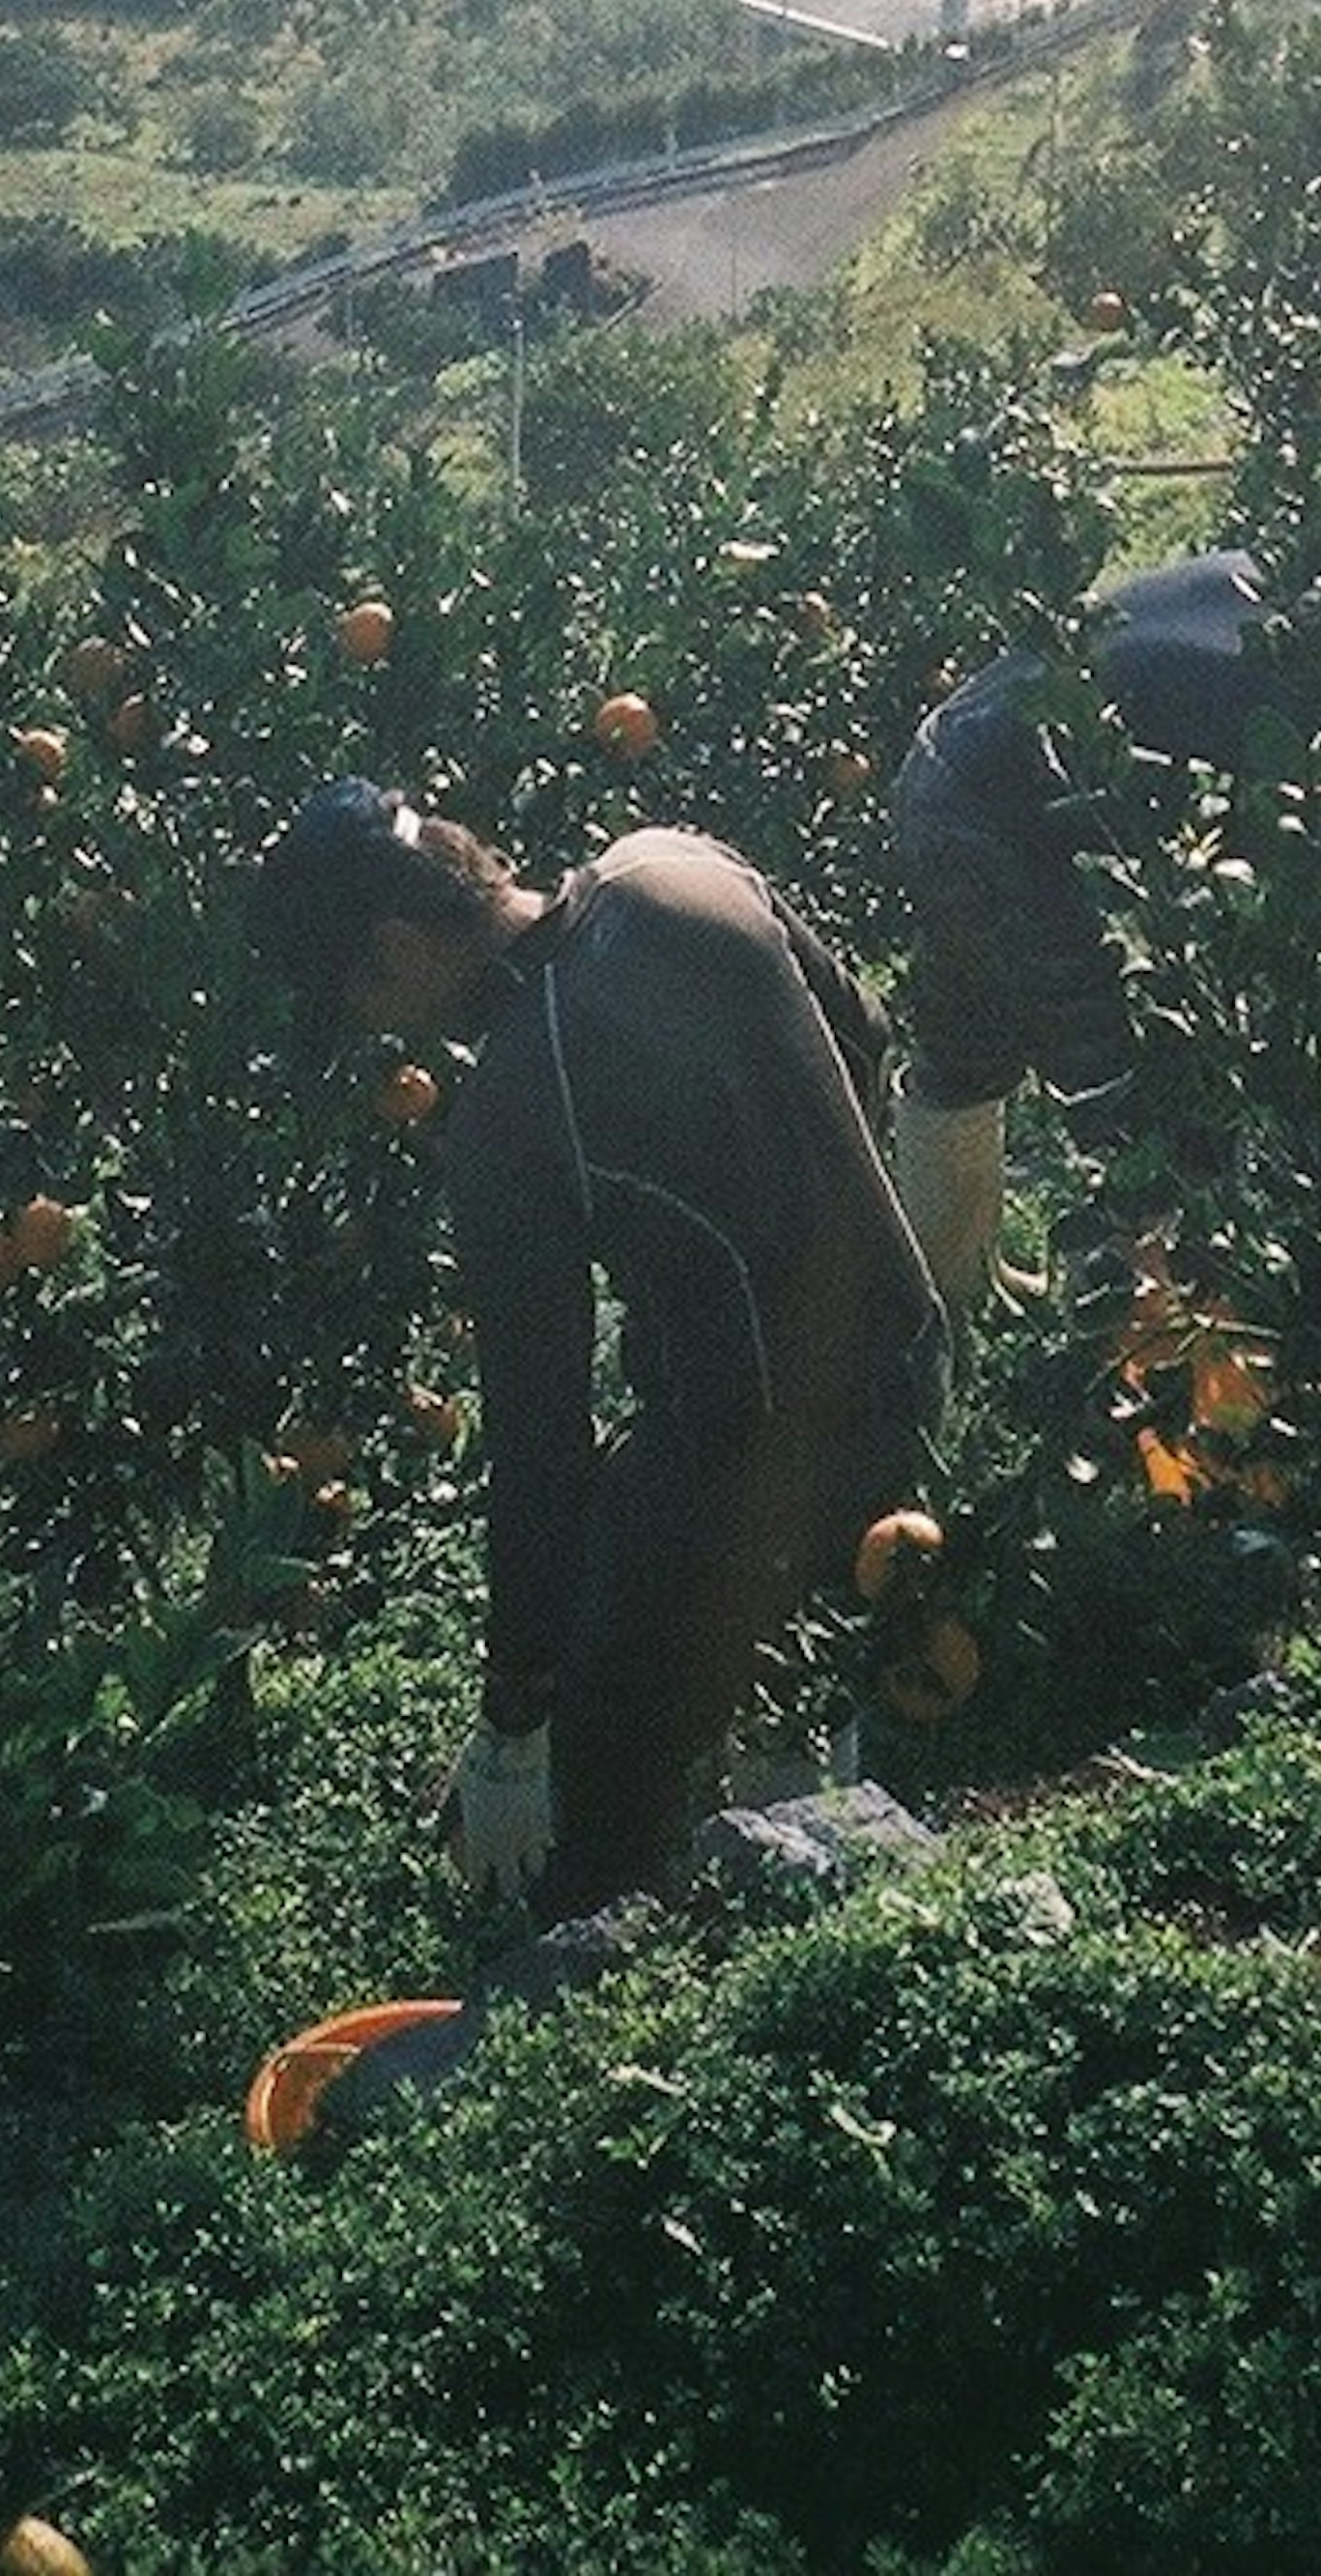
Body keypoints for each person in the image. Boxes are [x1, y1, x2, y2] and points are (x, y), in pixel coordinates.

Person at [249, 778, 946, 1925]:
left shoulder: (516, 1108)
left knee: (589, 1797)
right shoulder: (674, 864)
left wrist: (519, 1710)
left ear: (398, 945)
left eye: (361, 999)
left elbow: (539, 1439)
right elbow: (865, 1034)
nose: (382, 1032)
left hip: (784, 1457)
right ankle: (796, 1683)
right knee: (648, 1524)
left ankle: (689, 1887)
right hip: (912, 1359)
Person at [885, 548, 1321, 1307]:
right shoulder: (1278, 720)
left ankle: (945, 1296)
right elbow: (1234, 938)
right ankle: (1125, 1334)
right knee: (1119, 1079)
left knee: (970, 1036)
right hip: (986, 807)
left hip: (960, 757)